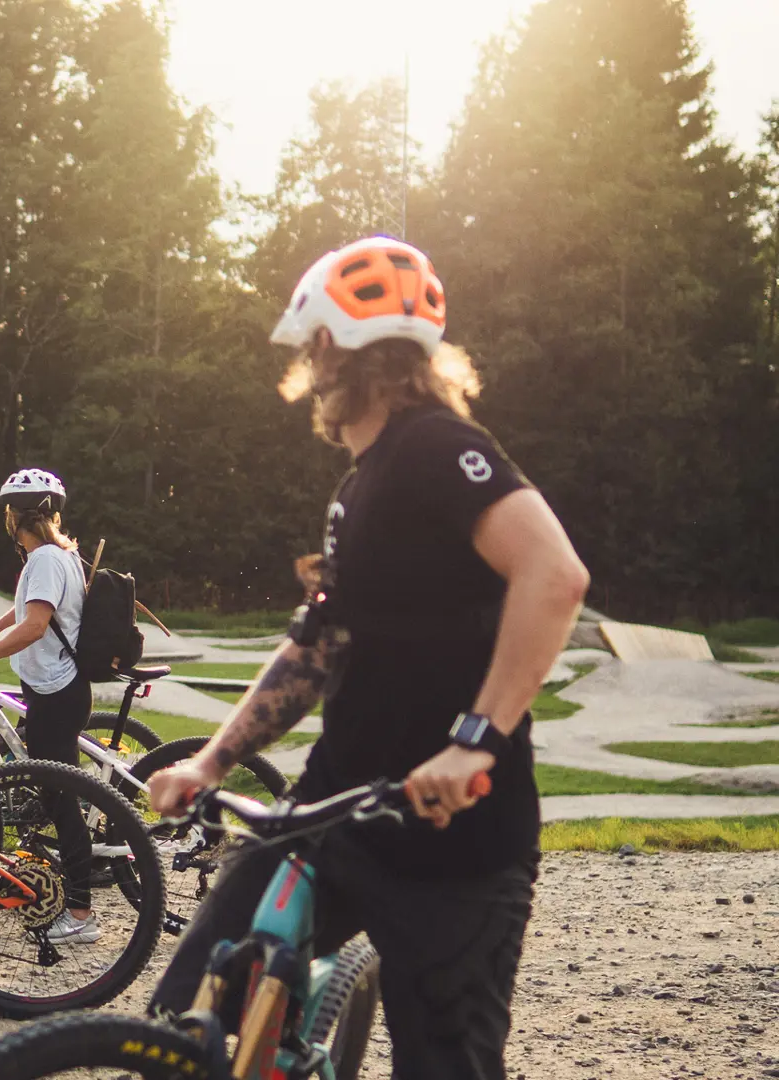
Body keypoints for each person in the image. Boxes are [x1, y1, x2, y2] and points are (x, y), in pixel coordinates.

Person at [145, 236, 590, 1080]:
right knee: (187, 1019)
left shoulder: (434, 446)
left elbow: (555, 574)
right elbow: (318, 648)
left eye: (312, 349)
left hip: (456, 841)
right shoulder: (362, 485)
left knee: (444, 1066)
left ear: (331, 349)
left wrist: (474, 740)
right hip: (336, 811)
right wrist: (209, 762)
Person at [0, 468, 98, 944]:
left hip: (56, 693)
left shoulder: (43, 559)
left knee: (62, 801)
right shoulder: (58, 554)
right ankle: (71, 883)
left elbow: (37, 625)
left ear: (12, 516)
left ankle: (80, 914)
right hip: (57, 689)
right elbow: (29, 609)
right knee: (54, 794)